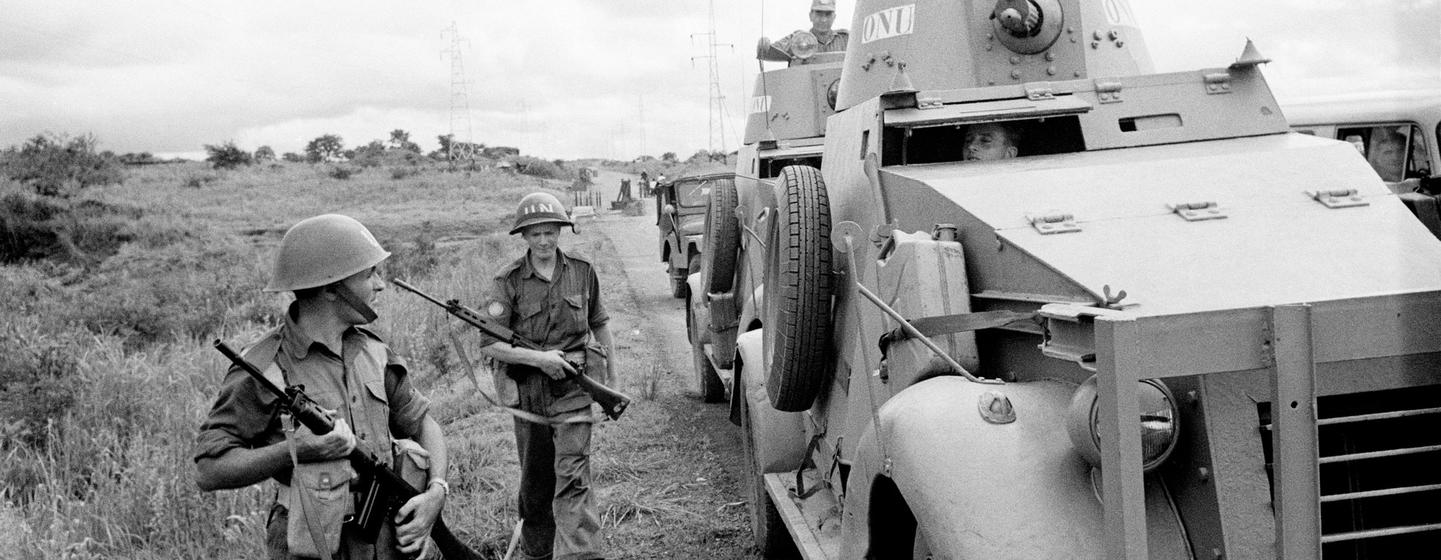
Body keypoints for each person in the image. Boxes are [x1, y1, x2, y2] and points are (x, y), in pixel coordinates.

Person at [194, 214, 450, 560]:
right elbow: (209, 470)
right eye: (368, 274)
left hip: (388, 539)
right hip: (313, 540)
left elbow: (423, 424)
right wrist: (295, 450)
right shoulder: (264, 367)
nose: (380, 285)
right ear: (331, 288)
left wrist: (436, 492)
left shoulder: (373, 351)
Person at [477, 192, 618, 560]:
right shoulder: (507, 280)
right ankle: (537, 552)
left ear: (560, 231)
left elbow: (600, 324)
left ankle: (581, 555)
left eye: (550, 232)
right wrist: (539, 360)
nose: (543, 241)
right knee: (536, 485)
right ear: (523, 237)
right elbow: (490, 344)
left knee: (572, 477)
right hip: (529, 395)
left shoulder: (582, 271)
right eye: (535, 234)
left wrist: (611, 387)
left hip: (574, 388)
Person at [768, 0, 849, 60]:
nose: (823, 19)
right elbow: (769, 52)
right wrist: (764, 44)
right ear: (810, 16)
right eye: (819, 14)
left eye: (828, 15)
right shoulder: (798, 39)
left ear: (834, 17)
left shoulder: (846, 39)